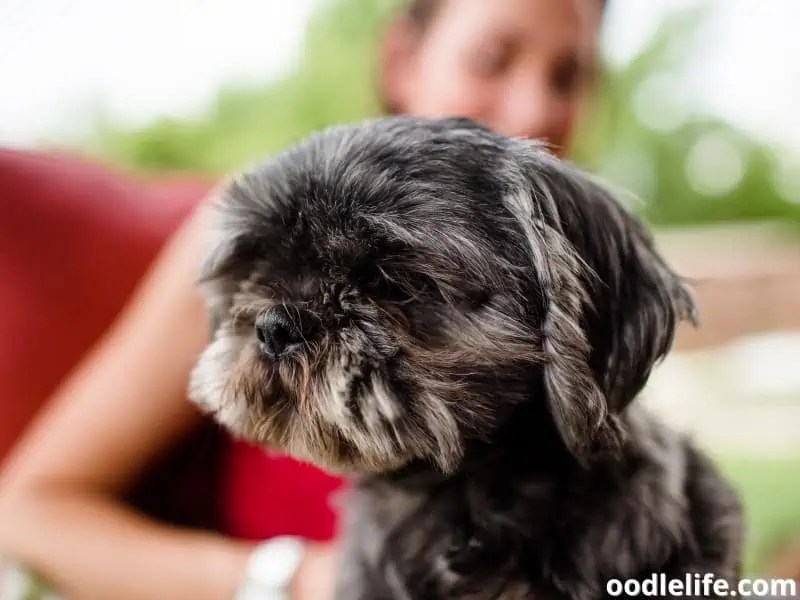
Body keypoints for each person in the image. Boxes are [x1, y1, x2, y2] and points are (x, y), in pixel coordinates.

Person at [0, 0, 604, 598]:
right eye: (491, 59)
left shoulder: (566, 286)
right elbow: (29, 510)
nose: (537, 108)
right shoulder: (249, 242)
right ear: (403, 61)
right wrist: (302, 581)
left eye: (567, 76)